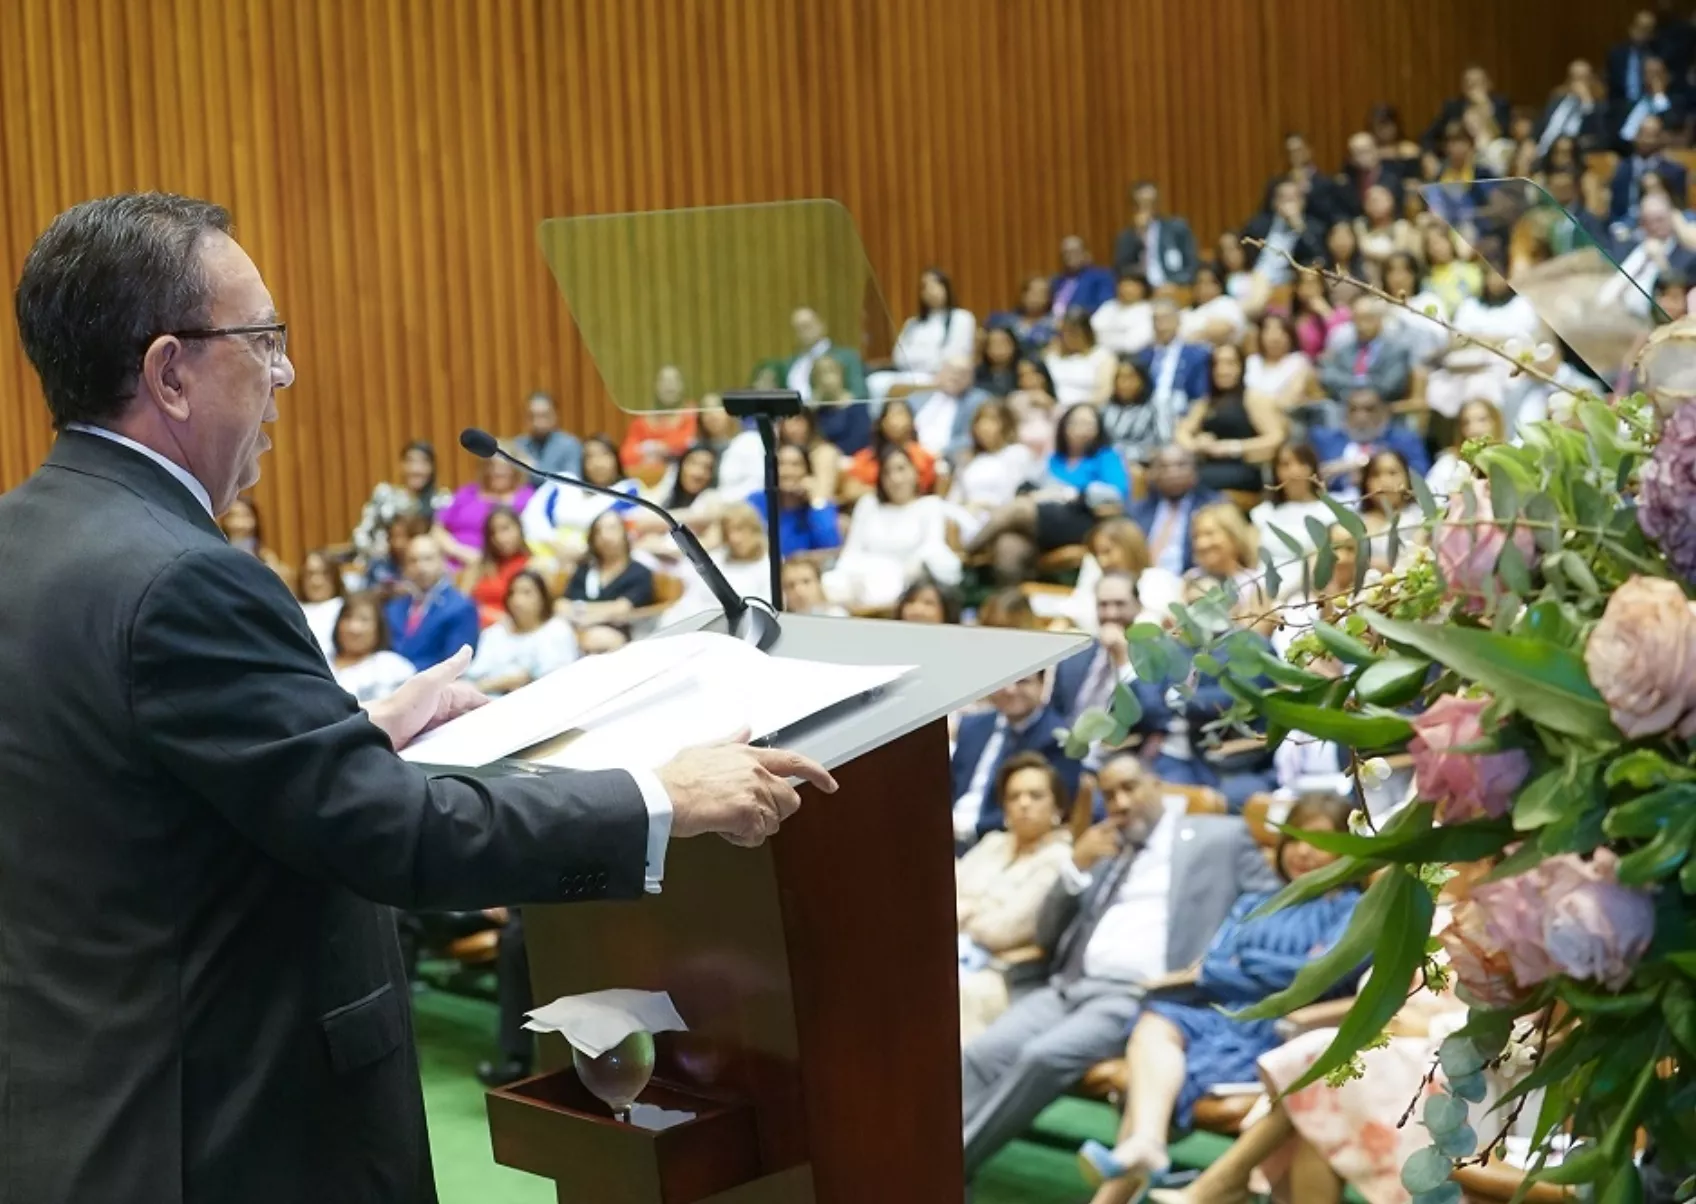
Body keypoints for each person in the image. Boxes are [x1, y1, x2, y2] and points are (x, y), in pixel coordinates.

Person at [0, 193, 837, 1204]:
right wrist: (661, 795)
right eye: (264, 340)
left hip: (81, 1107)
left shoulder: (24, 539)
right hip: (228, 1129)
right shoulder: (185, 577)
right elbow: (395, 838)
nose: (285, 373)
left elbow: (132, 788)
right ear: (169, 371)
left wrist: (346, 738)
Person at [961, 754, 1282, 1177]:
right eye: (1110, 794)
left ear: (1157, 785)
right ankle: (932, 1157)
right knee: (982, 1053)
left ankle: (947, 1168)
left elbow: (1271, 907)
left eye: (1130, 787)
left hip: (1134, 995)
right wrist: (1076, 866)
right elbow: (1047, 933)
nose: (1120, 802)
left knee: (1042, 1056)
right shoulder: (1108, 847)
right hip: (1068, 986)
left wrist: (1213, 963)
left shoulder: (1217, 836)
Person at [1077, 793, 1362, 1200]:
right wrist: (1242, 968)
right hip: (1223, 1015)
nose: (1303, 851)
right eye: (1295, 838)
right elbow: (1213, 966)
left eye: (1318, 840)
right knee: (1157, 1019)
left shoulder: (1355, 910)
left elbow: (1313, 977)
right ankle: (1147, 1143)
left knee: (1154, 1078)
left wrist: (1241, 960)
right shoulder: (1254, 900)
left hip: (1282, 1031)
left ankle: (1120, 1184)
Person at [385, 533, 481, 670]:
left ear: (442, 561)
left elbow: (456, 664)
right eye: (413, 561)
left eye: (428, 559)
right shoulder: (393, 608)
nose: (420, 567)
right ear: (405, 567)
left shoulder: (461, 607)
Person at [512, 389, 583, 481]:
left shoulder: (570, 445)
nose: (537, 422)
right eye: (531, 416)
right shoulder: (519, 445)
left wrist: (533, 467)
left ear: (555, 416)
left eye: (543, 416)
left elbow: (571, 481)